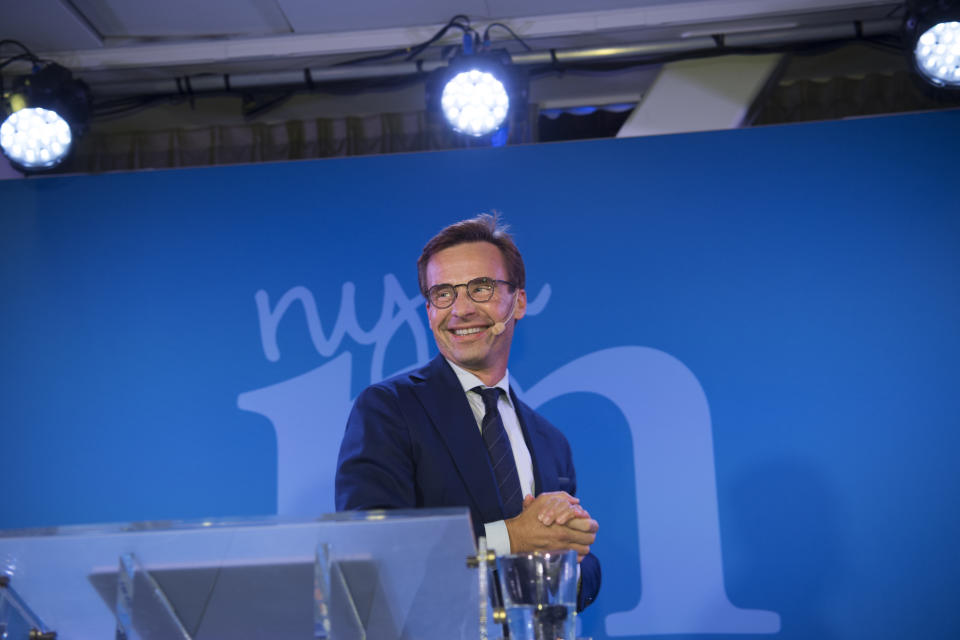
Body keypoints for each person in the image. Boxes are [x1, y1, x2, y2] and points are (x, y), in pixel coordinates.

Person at [335, 213, 600, 611]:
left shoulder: (551, 441)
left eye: (480, 288)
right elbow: (375, 550)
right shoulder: (390, 410)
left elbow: (578, 569)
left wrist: (570, 555)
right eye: (443, 293)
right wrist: (512, 538)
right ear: (429, 311)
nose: (460, 309)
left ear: (519, 301)